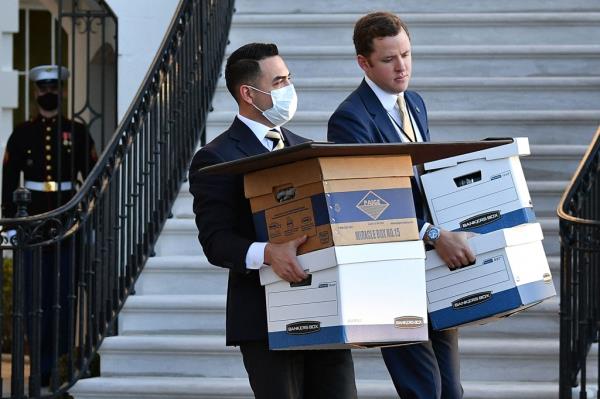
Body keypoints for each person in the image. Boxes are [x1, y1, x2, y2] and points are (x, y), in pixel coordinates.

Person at [188, 43, 357, 399]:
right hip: (264, 320)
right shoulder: (215, 157)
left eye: (288, 79)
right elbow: (216, 242)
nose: (289, 90)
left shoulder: (305, 147)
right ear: (248, 93)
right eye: (279, 82)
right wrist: (268, 253)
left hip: (326, 308)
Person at [327, 12, 475, 399]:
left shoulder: (415, 102)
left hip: (431, 269)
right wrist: (433, 234)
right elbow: (366, 206)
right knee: (423, 389)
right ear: (364, 62)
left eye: (406, 54)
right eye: (389, 59)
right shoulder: (349, 119)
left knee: (451, 390)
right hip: (388, 275)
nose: (402, 66)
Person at [1, 65, 98, 386]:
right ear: (35, 92)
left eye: (54, 87)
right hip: (32, 223)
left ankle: (58, 365)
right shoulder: (22, 132)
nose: (49, 93)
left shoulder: (78, 131)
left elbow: (92, 179)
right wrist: (11, 224)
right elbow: (7, 181)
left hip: (67, 220)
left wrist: (88, 216)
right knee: (32, 296)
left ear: (63, 90)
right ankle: (38, 368)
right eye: (43, 88)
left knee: (64, 294)